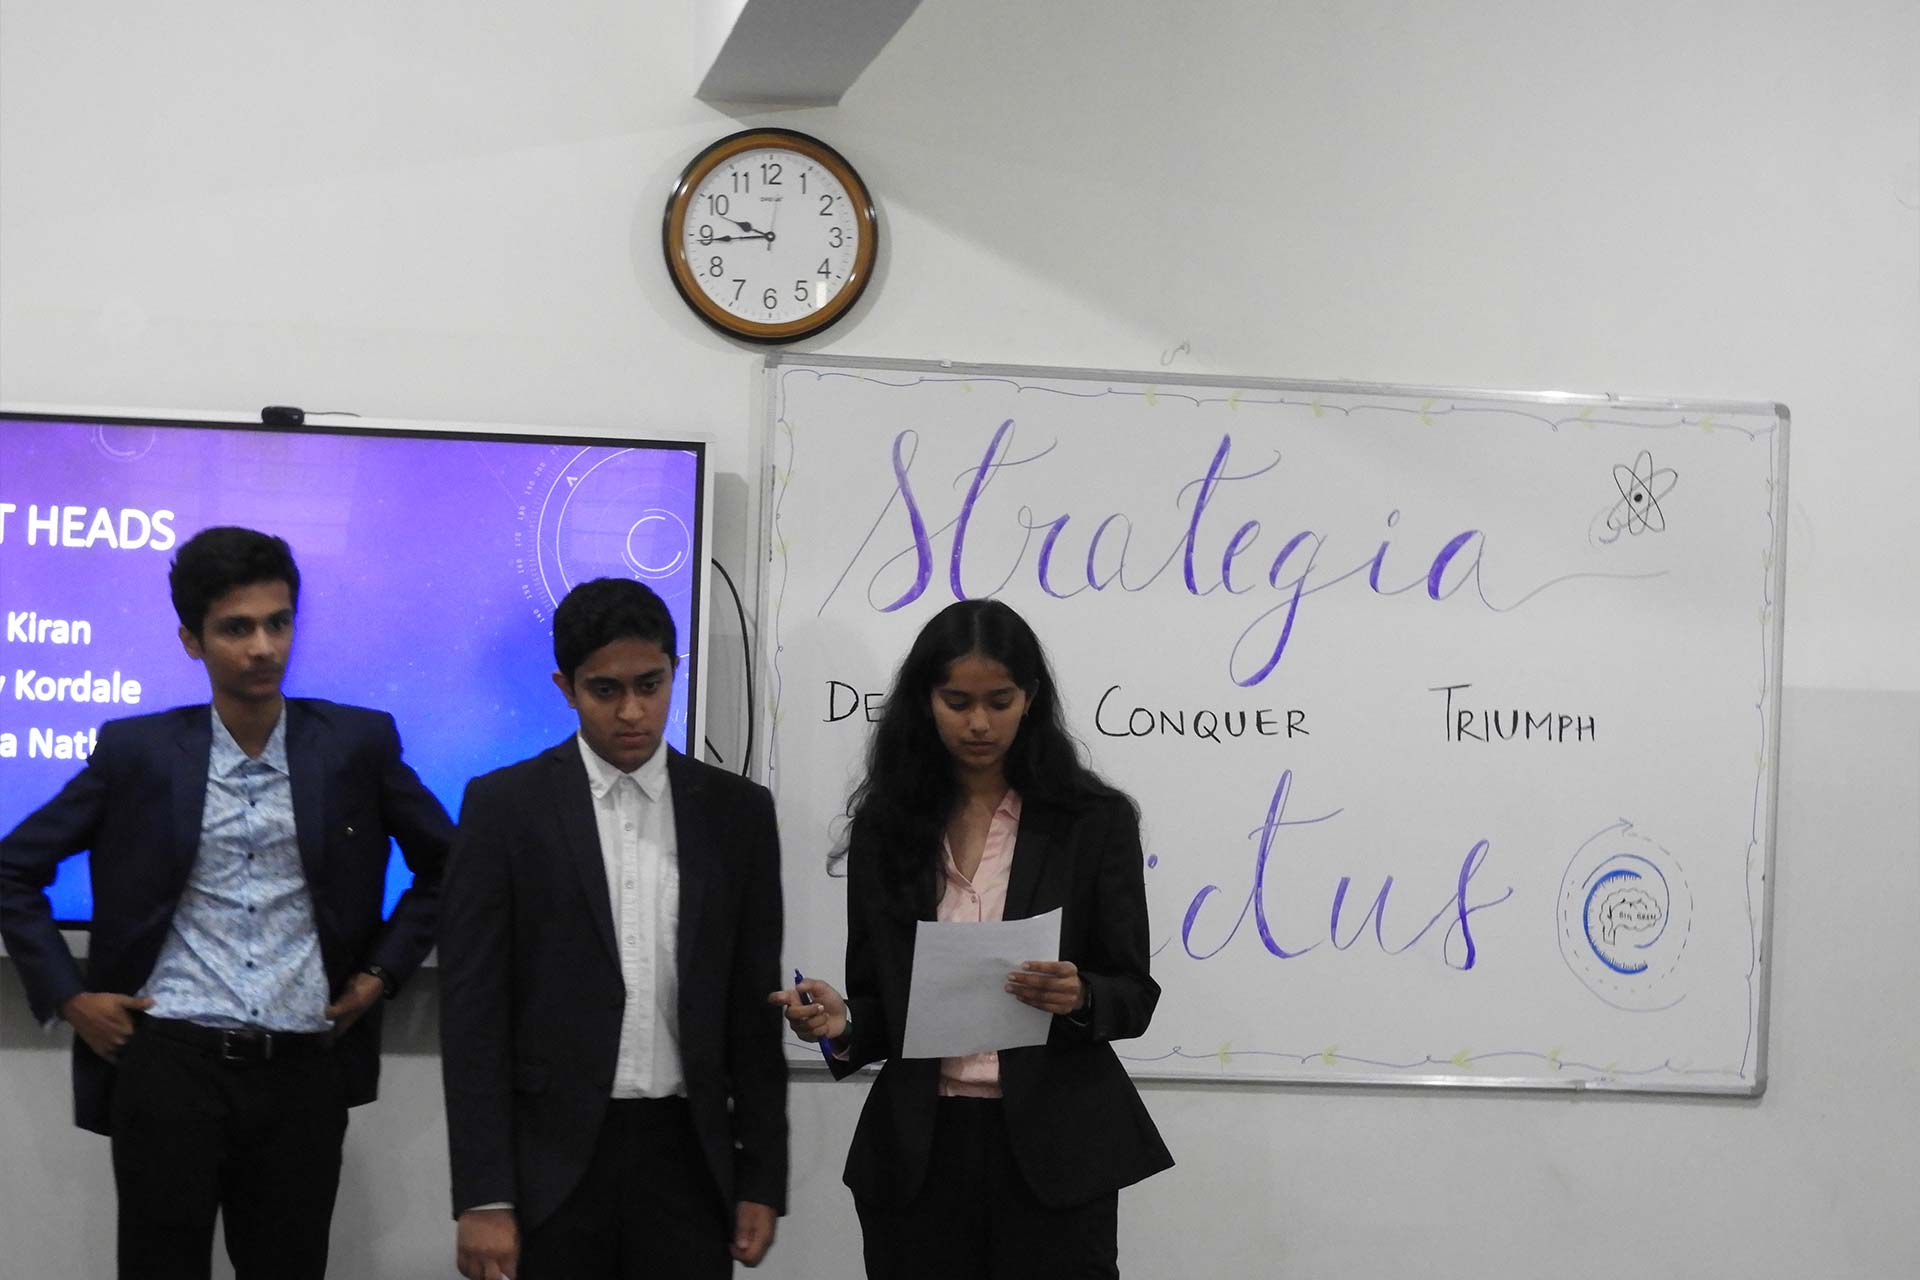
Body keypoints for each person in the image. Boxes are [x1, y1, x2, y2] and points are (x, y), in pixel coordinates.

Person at [0, 526, 453, 1279]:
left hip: (302, 1067)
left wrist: (381, 975)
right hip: (169, 1062)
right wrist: (69, 997)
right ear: (192, 640)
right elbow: (11, 869)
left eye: (278, 623)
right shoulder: (138, 752)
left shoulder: (354, 744)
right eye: (235, 629)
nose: (262, 648)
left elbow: (449, 866)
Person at [770, 598, 1172, 1279]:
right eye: (957, 702)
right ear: (925, 701)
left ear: (1031, 698)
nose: (979, 723)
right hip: (921, 1150)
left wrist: (1080, 995)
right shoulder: (888, 826)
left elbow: (1133, 994)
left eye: (999, 701)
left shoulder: (1092, 822)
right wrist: (842, 1022)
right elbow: (879, 1002)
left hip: (1055, 1149)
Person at [439, 576, 787, 1280]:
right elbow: (473, 1014)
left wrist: (762, 1176)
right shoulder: (505, 807)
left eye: (649, 685)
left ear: (674, 672)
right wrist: (484, 1195)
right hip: (552, 1162)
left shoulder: (737, 813)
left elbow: (753, 1009)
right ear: (566, 688)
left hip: (690, 1157)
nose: (632, 711)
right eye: (605, 690)